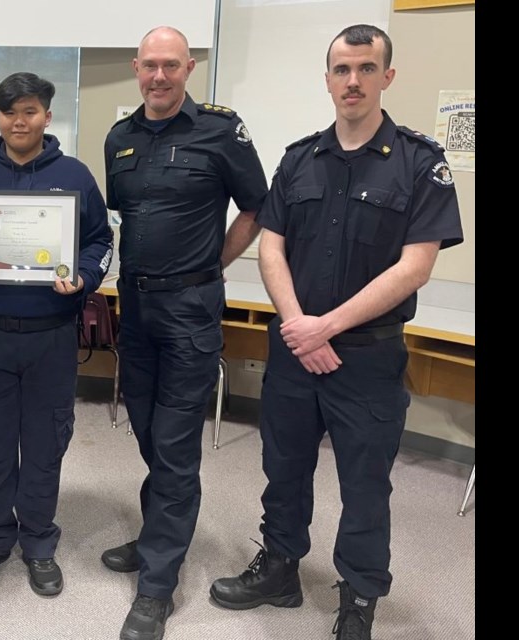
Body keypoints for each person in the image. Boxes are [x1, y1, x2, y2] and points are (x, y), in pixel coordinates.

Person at [208, 24, 463, 640]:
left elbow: (416, 265)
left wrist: (325, 326)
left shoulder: (419, 161)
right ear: (327, 79)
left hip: (367, 357)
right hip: (296, 350)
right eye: (342, 70)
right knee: (284, 469)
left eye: (366, 69)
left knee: (365, 485)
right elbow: (272, 248)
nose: (353, 81)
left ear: (386, 77)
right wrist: (299, 326)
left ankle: (359, 596)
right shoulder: (298, 159)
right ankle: (281, 568)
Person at [101, 26, 268, 640]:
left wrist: (213, 266)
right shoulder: (119, 138)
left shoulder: (221, 130)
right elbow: (123, 215)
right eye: (150, 66)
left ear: (190, 67)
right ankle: (155, 537)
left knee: (174, 447)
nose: (160, 76)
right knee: (146, 429)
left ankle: (156, 587)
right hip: (136, 311)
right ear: (135, 68)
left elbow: (257, 207)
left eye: (172, 65)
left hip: (192, 311)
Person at [0, 72, 113, 597]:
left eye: (31, 111)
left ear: (47, 116)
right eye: (10, 112)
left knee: (44, 442)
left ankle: (38, 542)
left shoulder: (76, 177)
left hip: (51, 335)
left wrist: (83, 278)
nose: (20, 121)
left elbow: (100, 243)